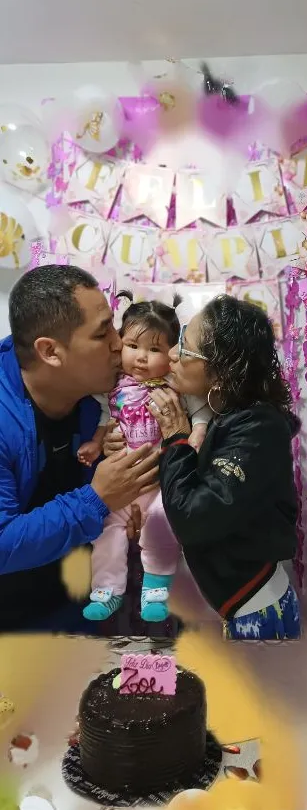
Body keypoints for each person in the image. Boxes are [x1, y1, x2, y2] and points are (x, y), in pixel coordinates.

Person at [105, 295, 301, 640]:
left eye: (185, 348)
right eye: (179, 340)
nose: (172, 354)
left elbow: (194, 517)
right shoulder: (224, 415)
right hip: (227, 602)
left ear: (221, 373)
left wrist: (177, 438)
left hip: (254, 607)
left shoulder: (258, 429)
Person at [0, 265, 159, 633]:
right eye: (103, 333)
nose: (120, 344)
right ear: (51, 351)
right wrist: (97, 498)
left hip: (80, 609)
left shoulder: (106, 399)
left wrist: (127, 509)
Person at [77, 293, 211, 623]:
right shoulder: (112, 386)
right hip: (122, 485)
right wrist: (96, 444)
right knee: (106, 531)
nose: (141, 357)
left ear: (172, 354)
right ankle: (106, 590)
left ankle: (156, 588)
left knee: (162, 525)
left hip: (161, 483)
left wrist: (197, 433)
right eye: (133, 346)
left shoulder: (175, 385)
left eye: (154, 349)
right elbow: (105, 419)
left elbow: (201, 408)